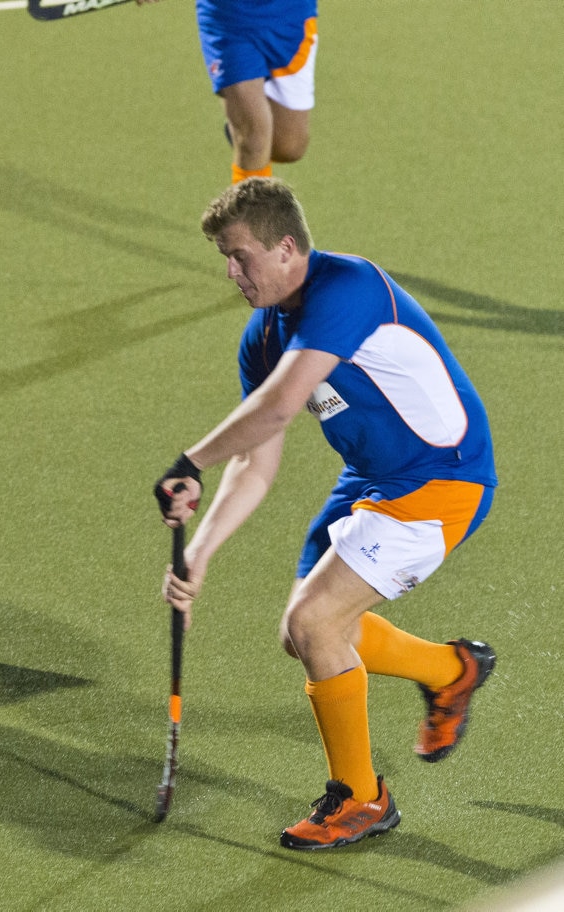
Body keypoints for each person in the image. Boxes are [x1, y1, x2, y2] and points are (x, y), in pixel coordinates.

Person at [154, 178, 497, 850]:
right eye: (225, 257)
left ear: (286, 248)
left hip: (441, 479)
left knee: (315, 623)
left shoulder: (349, 289)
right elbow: (257, 460)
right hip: (371, 478)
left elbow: (280, 408)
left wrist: (190, 462)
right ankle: (450, 670)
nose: (231, 272)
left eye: (240, 255)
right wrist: (198, 556)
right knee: (305, 635)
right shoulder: (262, 336)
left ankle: (363, 799)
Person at [196, 0, 319, 184]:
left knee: (289, 147)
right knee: (254, 139)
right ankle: (251, 212)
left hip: (291, 15)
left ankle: (243, 128)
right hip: (228, 18)